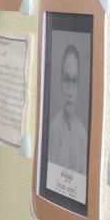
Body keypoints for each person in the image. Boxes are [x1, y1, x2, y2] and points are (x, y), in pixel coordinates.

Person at [48, 44, 89, 174]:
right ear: (61, 83)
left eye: (74, 81)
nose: (70, 92)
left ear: (79, 85)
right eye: (67, 80)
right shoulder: (52, 129)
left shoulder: (82, 136)